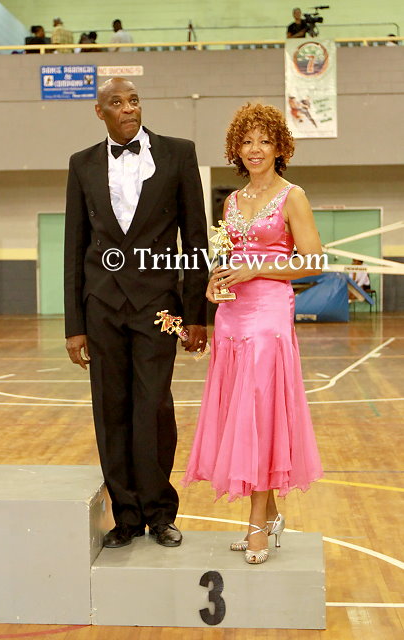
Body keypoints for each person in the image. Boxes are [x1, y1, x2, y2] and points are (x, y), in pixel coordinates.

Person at [64, 77, 208, 549]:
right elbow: (74, 247)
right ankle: (125, 516)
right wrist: (75, 326)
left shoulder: (179, 154)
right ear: (100, 112)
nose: (128, 108)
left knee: (154, 407)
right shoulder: (81, 164)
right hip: (101, 307)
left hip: (158, 307)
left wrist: (197, 314)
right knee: (111, 411)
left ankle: (160, 512)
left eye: (134, 100)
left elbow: (196, 238)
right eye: (117, 102)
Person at [183, 103, 323, 564]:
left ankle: (257, 523)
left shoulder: (292, 196)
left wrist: (257, 268)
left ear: (280, 147)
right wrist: (215, 281)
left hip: (269, 316)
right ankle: (271, 515)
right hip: (233, 315)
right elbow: (231, 260)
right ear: (236, 150)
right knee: (242, 415)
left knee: (260, 413)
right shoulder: (232, 201)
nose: (255, 149)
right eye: (247, 141)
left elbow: (313, 261)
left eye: (264, 140)